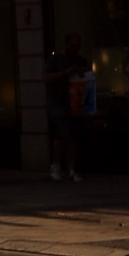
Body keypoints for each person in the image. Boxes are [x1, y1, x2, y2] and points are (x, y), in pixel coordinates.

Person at [45, 35, 90, 182]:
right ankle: (56, 166)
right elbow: (46, 78)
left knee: (72, 135)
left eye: (78, 46)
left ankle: (71, 169)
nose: (75, 49)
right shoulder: (56, 60)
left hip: (75, 102)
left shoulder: (80, 60)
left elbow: (88, 78)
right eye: (73, 46)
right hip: (58, 100)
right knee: (63, 132)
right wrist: (65, 73)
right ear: (66, 45)